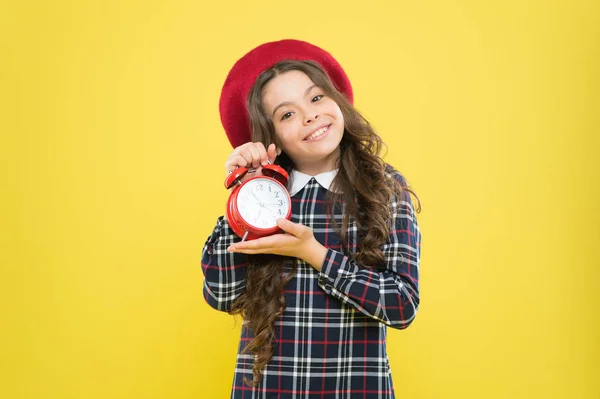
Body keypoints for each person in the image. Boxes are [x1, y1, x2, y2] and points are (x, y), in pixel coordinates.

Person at [201, 39, 422, 399]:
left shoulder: (385, 188)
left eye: (316, 98)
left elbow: (402, 305)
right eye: (287, 114)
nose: (309, 116)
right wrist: (244, 190)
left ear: (337, 100)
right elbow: (221, 294)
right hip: (269, 389)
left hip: (356, 388)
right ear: (270, 138)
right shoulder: (263, 198)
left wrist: (315, 254)